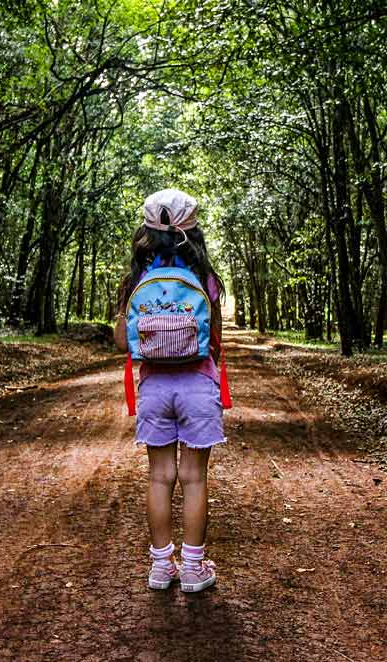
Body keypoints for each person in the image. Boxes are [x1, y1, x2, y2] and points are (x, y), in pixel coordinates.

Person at [114, 188, 225, 593]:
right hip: (198, 386)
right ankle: (194, 570)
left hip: (154, 390)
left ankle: (162, 567)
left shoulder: (137, 279)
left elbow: (124, 344)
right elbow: (213, 339)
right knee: (194, 478)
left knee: (160, 477)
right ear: (192, 233)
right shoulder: (205, 279)